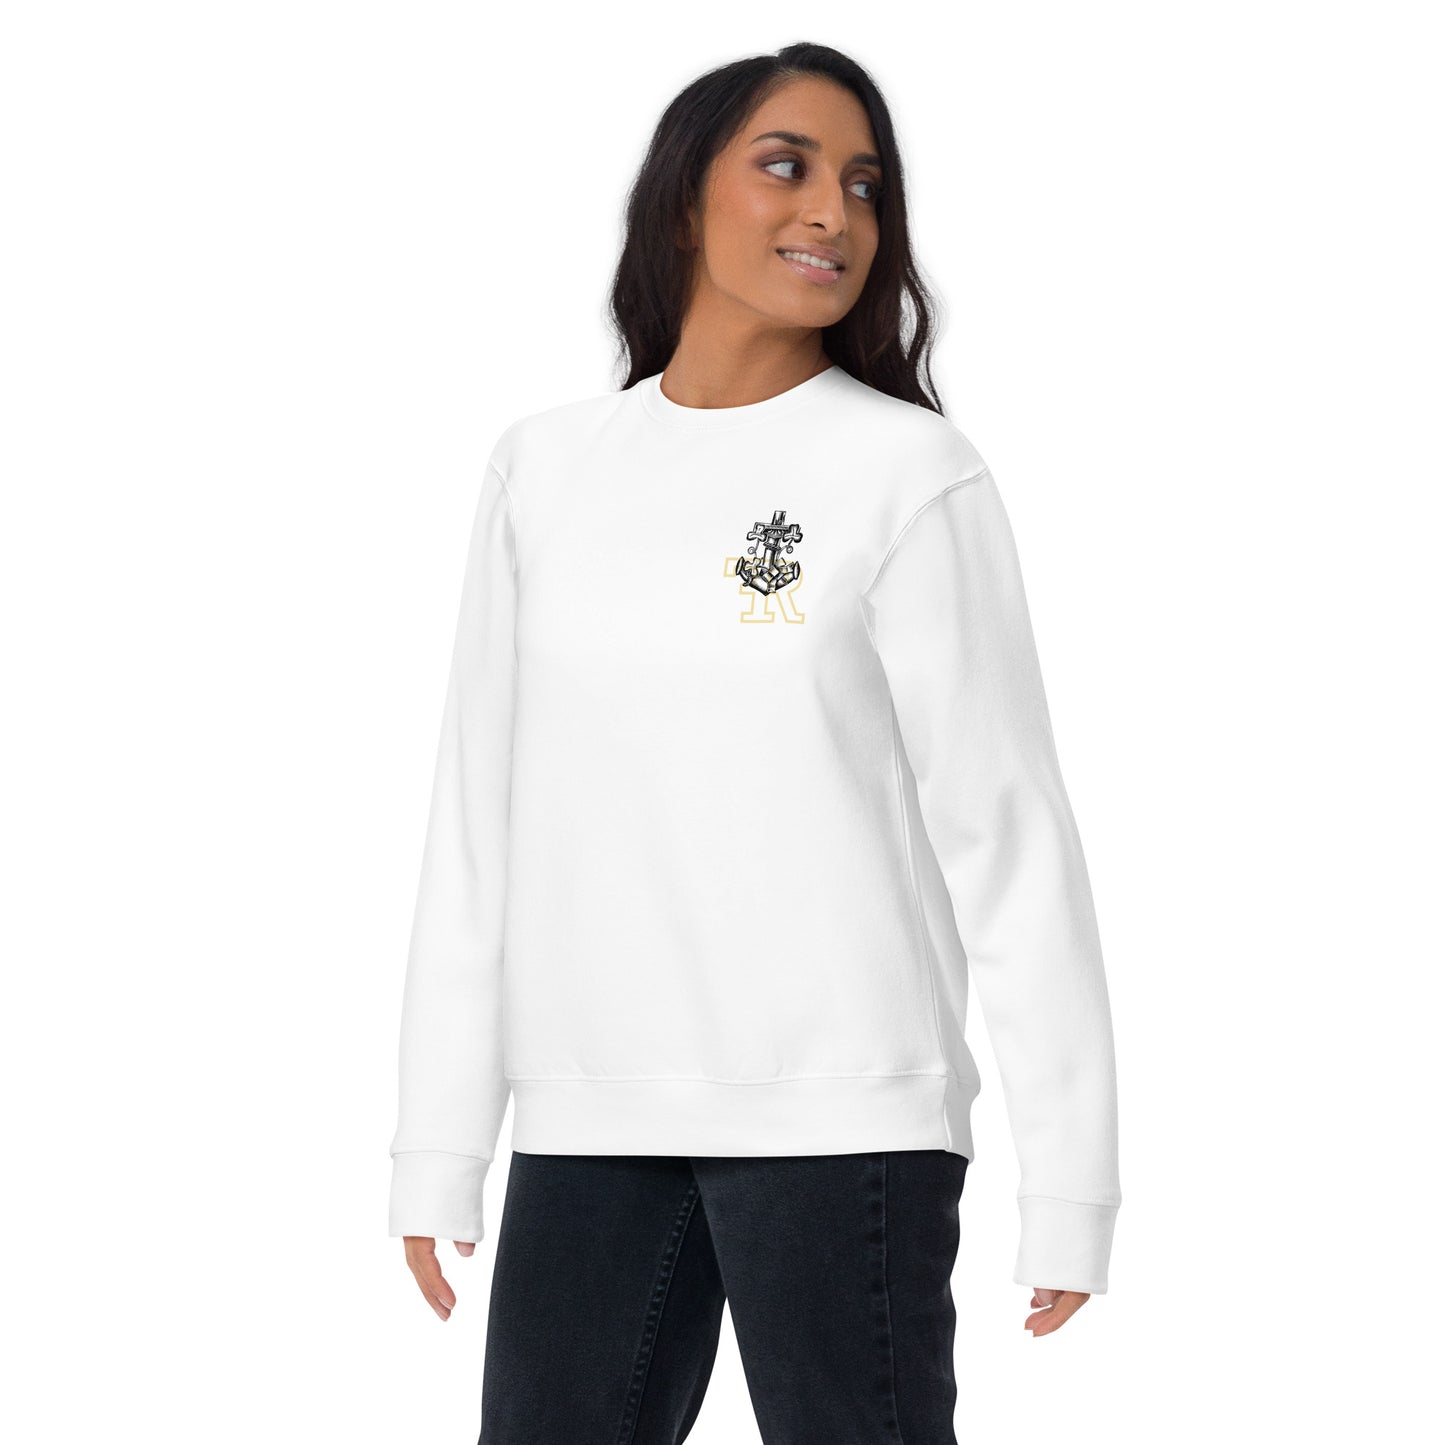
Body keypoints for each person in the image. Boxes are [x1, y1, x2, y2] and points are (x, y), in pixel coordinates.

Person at [388, 40, 1122, 1444]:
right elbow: (477, 828)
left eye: (865, 185)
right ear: (683, 201)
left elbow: (1009, 838)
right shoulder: (544, 470)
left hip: (845, 1116)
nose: (833, 212)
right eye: (786, 168)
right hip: (589, 1114)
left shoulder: (907, 473)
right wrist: (438, 1141)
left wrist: (1071, 1180)